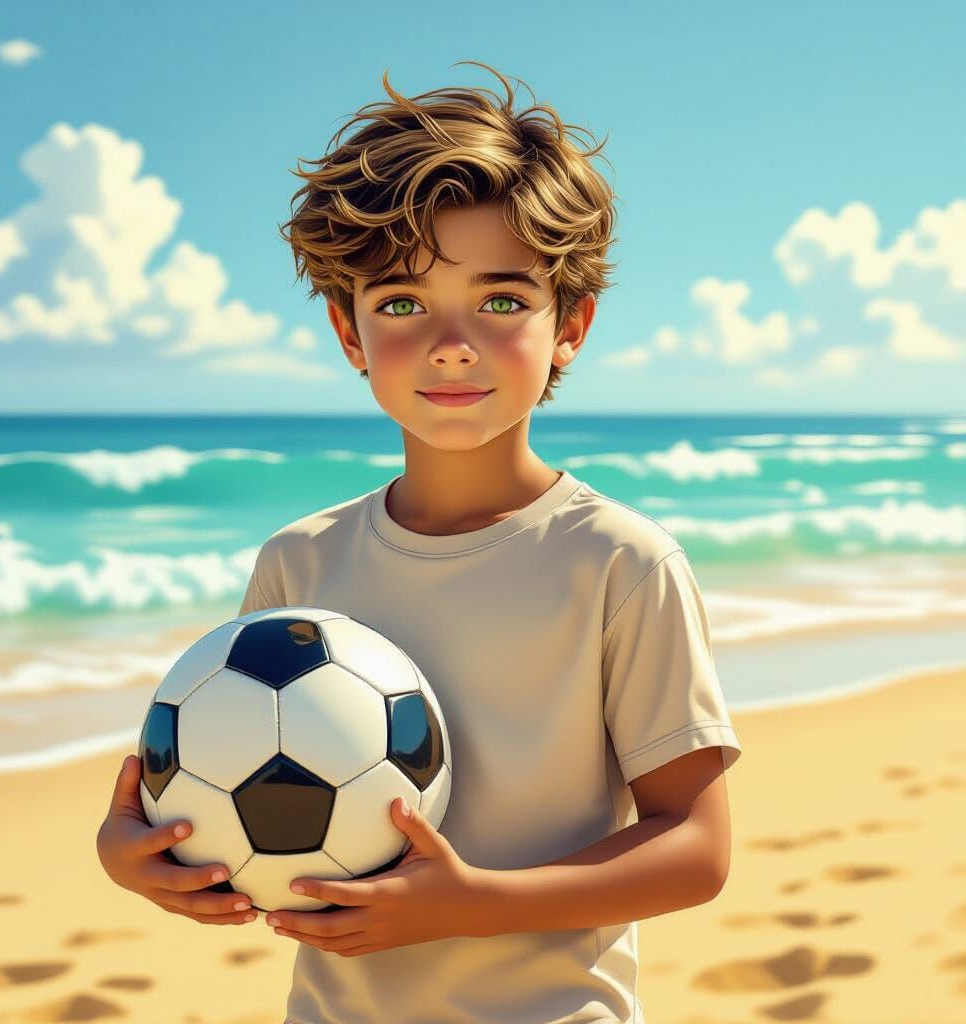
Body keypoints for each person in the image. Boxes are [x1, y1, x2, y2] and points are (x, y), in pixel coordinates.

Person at [96, 60, 743, 1024]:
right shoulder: (298, 565)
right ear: (348, 331)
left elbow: (695, 846)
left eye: (502, 300)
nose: (452, 341)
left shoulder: (619, 562)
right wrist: (133, 853)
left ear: (571, 324)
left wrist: (473, 906)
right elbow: (221, 785)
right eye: (401, 303)